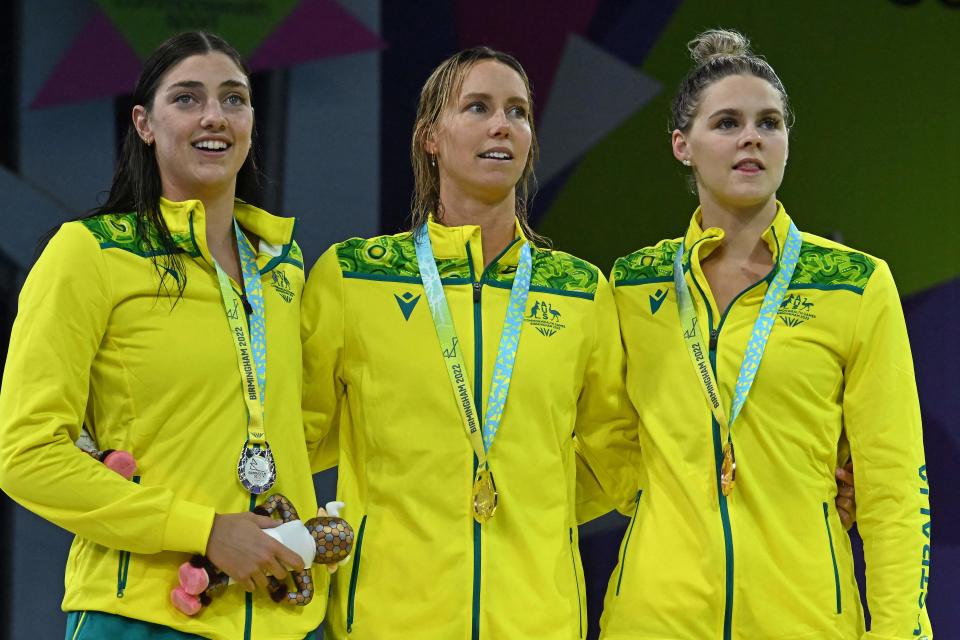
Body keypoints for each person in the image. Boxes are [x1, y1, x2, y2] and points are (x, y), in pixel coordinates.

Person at [594, 29, 931, 639]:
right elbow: (603, 447)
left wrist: (901, 631)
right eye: (726, 122)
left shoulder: (855, 285)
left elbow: (894, 489)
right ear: (682, 145)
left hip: (804, 621)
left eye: (769, 123)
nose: (752, 136)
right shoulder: (632, 285)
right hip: (653, 621)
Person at [300, 47, 639, 639]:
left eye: (518, 111)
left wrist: (536, 502)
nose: (502, 125)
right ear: (431, 137)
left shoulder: (581, 291)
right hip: (388, 618)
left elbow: (620, 454)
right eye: (477, 107)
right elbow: (290, 434)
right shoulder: (354, 277)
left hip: (538, 620)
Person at [0, 32, 327, 639]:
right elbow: (26, 456)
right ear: (144, 123)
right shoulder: (88, 254)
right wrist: (203, 529)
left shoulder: (282, 266)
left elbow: (296, 426)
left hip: (285, 617)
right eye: (186, 98)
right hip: (143, 616)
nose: (214, 116)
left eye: (235, 99)